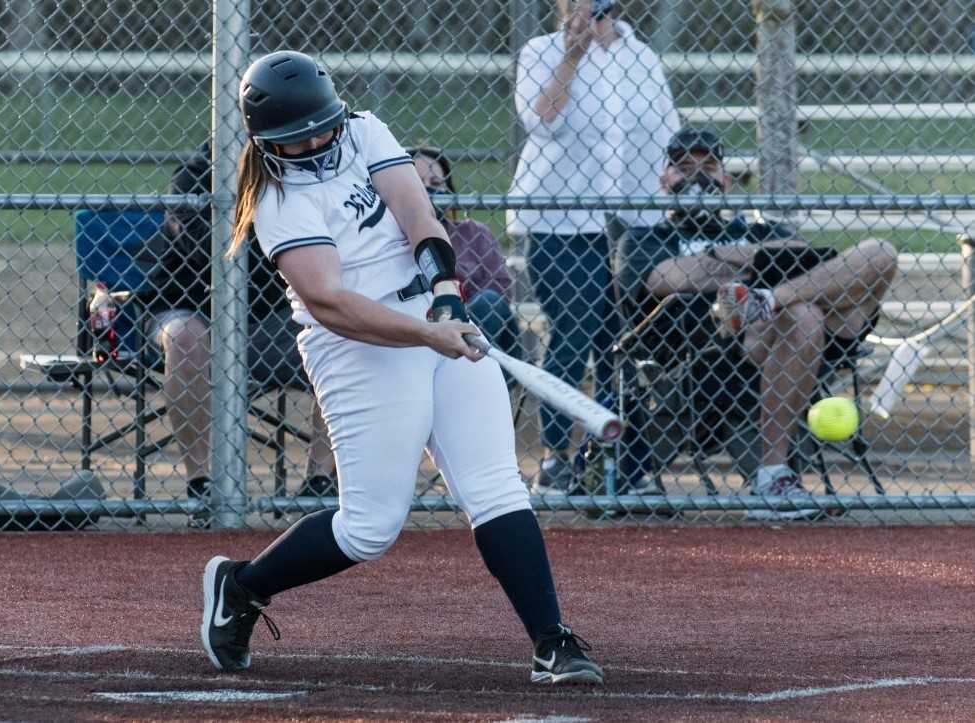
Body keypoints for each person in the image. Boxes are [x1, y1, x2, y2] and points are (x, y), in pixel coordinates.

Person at [199, 50, 602, 685]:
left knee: (497, 488)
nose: (315, 142)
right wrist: (426, 333)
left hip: (431, 320)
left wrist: (444, 292)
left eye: (320, 126)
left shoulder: (361, 128)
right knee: (369, 528)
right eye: (296, 136)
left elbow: (417, 211)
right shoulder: (279, 203)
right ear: (265, 140)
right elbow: (332, 303)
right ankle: (243, 587)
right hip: (357, 347)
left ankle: (552, 641)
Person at [617, 126, 898, 513]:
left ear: (726, 179)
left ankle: (766, 301)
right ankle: (773, 474)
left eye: (709, 166)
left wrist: (735, 268)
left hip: (795, 336)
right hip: (704, 353)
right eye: (683, 167)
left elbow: (803, 254)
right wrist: (758, 259)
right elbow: (671, 277)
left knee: (879, 252)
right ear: (665, 181)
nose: (698, 177)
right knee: (801, 314)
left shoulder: (759, 227)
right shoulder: (645, 238)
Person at [507, 0, 680, 492]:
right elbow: (542, 121)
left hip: (634, 219)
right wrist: (571, 58)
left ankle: (617, 459)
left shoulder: (639, 55)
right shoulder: (540, 51)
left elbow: (666, 129)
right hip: (562, 219)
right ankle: (556, 458)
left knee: (619, 343)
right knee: (575, 332)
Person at [139, 141, 337, 522]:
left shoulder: (305, 170)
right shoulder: (194, 175)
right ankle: (202, 486)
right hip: (187, 304)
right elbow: (208, 250)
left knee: (336, 331)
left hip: (271, 316)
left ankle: (320, 481)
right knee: (185, 337)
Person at [409, 145, 522, 361]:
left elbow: (500, 287)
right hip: (423, 328)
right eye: (418, 184)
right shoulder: (396, 239)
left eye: (436, 184)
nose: (428, 190)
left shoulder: (474, 233)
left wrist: (458, 305)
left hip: (477, 322)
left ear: (449, 192)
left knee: (487, 301)